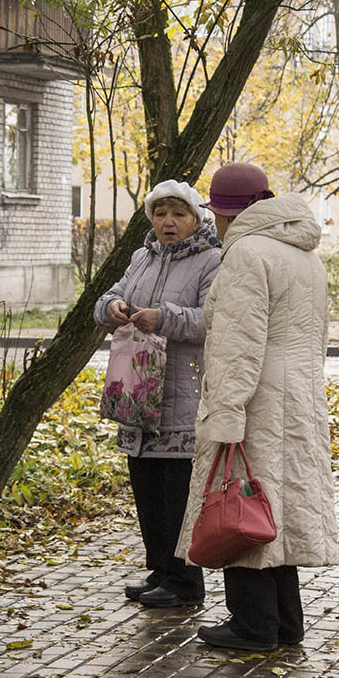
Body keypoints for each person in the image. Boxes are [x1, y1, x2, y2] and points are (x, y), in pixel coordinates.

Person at [175, 162, 338, 651]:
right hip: (301, 398)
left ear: (226, 214)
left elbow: (236, 343)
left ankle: (252, 624)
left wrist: (225, 412)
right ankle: (286, 621)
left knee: (239, 504)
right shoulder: (303, 254)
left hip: (258, 400)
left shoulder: (246, 253)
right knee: (277, 509)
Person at [94, 179, 222, 608]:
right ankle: (160, 570)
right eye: (161, 213)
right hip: (137, 391)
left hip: (181, 390)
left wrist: (163, 317)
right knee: (145, 484)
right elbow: (111, 296)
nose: (169, 222)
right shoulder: (141, 256)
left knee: (176, 492)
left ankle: (185, 581)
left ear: (196, 217)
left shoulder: (211, 261)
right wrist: (110, 307)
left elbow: (211, 320)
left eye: (178, 214)